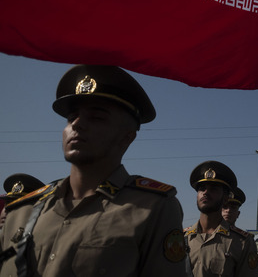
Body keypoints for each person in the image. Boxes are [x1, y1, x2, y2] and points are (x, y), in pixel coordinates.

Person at [0, 65, 188, 277]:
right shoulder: (23, 211)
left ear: (127, 136)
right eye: (72, 117)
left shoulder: (152, 209)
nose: (78, 124)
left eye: (97, 117)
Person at [185, 161, 258, 276]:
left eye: (213, 189)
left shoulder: (242, 242)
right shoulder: (183, 238)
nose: (205, 193)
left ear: (225, 199)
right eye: (202, 189)